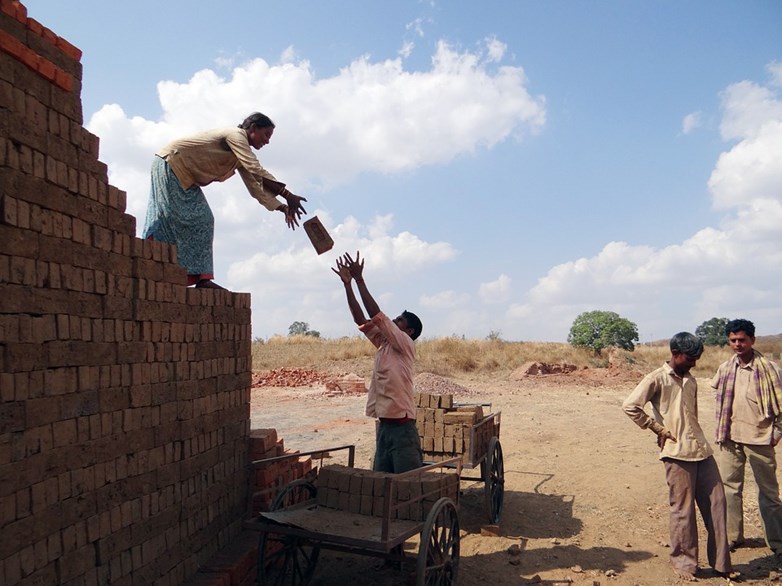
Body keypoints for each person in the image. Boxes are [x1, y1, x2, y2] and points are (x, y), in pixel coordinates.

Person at [142, 112, 307, 289]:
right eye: (266, 134)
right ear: (252, 128)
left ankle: (200, 278)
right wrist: (288, 195)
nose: (267, 141)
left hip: (186, 176)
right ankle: (149, 261)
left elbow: (256, 185)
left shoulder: (240, 154)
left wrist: (283, 208)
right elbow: (255, 168)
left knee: (204, 219)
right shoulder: (235, 136)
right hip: (171, 164)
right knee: (168, 217)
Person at [623, 332, 733, 581]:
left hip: (702, 451)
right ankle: (684, 564)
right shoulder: (657, 379)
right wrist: (657, 428)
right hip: (676, 453)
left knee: (717, 504)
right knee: (683, 511)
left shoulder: (691, 380)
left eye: (697, 358)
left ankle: (721, 563)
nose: (694, 362)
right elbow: (630, 406)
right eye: (690, 358)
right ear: (675, 354)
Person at [332, 251, 423, 473]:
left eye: (399, 320)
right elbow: (361, 320)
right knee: (381, 482)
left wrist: (360, 280)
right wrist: (348, 285)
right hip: (384, 426)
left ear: (408, 331)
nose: (394, 320)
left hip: (403, 428)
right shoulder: (384, 344)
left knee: (406, 484)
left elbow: (376, 314)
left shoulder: (404, 344)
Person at [712, 318, 782, 557]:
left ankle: (777, 543)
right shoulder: (725, 368)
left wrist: (777, 432)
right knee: (730, 490)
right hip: (730, 438)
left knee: (769, 494)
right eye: (733, 340)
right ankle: (733, 537)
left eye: (742, 339)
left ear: (753, 340)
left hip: (760, 439)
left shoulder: (770, 369)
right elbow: (719, 401)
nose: (737, 344)